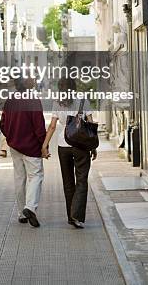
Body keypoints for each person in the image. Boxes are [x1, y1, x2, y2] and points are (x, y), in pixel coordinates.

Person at [42, 78, 97, 228]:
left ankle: (70, 216)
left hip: (63, 145)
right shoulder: (82, 100)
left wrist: (44, 146)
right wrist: (93, 146)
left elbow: (52, 126)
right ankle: (76, 215)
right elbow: (90, 124)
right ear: (74, 86)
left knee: (68, 182)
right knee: (81, 180)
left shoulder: (57, 102)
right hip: (81, 145)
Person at [0, 77, 46, 227]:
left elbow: (3, 124)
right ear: (27, 83)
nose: (33, 79)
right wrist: (43, 145)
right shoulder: (33, 100)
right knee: (36, 176)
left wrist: (11, 137)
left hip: (15, 146)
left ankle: (21, 214)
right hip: (32, 146)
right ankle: (30, 207)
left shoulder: (10, 101)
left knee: (19, 178)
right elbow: (39, 126)